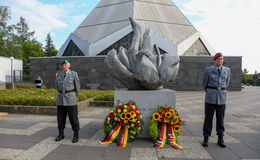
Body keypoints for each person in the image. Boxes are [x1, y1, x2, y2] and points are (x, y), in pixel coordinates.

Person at [202, 52, 231, 148]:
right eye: (218, 58)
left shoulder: (227, 70)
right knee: (208, 118)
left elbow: (226, 83)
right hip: (210, 97)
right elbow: (204, 83)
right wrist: (211, 91)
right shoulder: (208, 70)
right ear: (214, 60)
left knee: (221, 119)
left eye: (222, 59)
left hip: (222, 97)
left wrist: (220, 90)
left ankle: (220, 138)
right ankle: (206, 137)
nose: (220, 60)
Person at [55, 59, 80, 143]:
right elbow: (57, 86)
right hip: (60, 98)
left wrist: (73, 95)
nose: (64, 66)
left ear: (69, 65)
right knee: (60, 117)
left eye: (66, 64)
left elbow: (77, 87)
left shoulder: (73, 74)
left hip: (70, 98)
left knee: (73, 117)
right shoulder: (58, 74)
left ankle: (76, 134)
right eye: (63, 65)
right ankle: (61, 134)